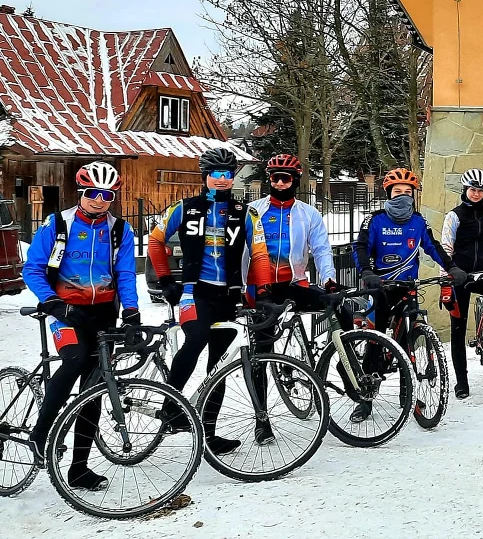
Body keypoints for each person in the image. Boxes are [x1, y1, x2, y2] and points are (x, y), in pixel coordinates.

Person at [21, 162, 137, 491]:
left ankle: (79, 468)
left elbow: (126, 274)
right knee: (74, 359)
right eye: (92, 193)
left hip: (103, 312)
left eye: (107, 195)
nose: (99, 200)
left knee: (95, 387)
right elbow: (33, 268)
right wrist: (51, 300)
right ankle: (40, 434)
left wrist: (131, 311)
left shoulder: (119, 230)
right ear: (81, 192)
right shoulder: (58, 224)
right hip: (66, 312)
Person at [150, 147, 253, 456]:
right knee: (195, 339)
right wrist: (167, 280)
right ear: (205, 177)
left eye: (227, 175)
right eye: (215, 175)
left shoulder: (244, 212)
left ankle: (208, 432)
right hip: (195, 292)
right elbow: (155, 242)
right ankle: (171, 406)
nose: (221, 180)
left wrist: (258, 293)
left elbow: (259, 254)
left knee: (218, 365)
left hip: (228, 296)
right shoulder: (184, 208)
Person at [354, 167, 464, 421]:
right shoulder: (375, 219)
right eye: (397, 191)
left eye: (407, 192)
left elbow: (433, 247)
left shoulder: (418, 221)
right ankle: (366, 398)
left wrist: (452, 267)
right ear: (388, 194)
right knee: (375, 338)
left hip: (407, 287)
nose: (402, 195)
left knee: (409, 340)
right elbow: (360, 247)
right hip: (380, 286)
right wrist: (367, 272)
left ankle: (409, 395)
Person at [245, 153, 339, 442]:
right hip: (260, 289)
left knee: (339, 305)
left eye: (286, 178)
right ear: (268, 180)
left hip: (294, 283)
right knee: (259, 353)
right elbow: (241, 252)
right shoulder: (253, 211)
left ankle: (350, 369)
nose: (281, 183)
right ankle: (262, 420)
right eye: (275, 178)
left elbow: (321, 249)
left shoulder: (308, 214)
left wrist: (330, 279)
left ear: (296, 181)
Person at [439, 168, 483, 399]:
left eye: (481, 191)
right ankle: (461, 382)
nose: (477, 194)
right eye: (473, 190)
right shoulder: (454, 216)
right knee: (458, 329)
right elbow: (446, 248)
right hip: (460, 276)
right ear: (465, 190)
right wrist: (446, 279)